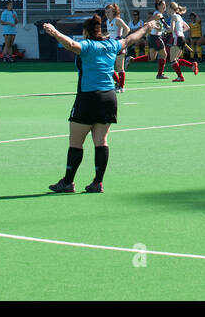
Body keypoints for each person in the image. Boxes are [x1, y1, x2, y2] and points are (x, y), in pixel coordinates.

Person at [42, 12, 159, 193]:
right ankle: (98, 182)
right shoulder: (112, 44)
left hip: (88, 97)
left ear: (86, 32)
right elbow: (130, 39)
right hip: (108, 97)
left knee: (76, 142)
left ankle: (68, 182)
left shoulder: (87, 46)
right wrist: (147, 27)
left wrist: (54, 32)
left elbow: (71, 44)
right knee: (101, 141)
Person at [105, 3, 131, 91]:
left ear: (114, 12)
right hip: (111, 46)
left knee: (120, 67)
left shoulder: (117, 20)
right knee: (109, 66)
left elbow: (127, 29)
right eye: (106, 12)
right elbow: (111, 33)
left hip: (119, 46)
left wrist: (121, 38)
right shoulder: (107, 22)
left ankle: (121, 86)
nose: (107, 14)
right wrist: (105, 36)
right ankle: (118, 83)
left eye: (109, 12)